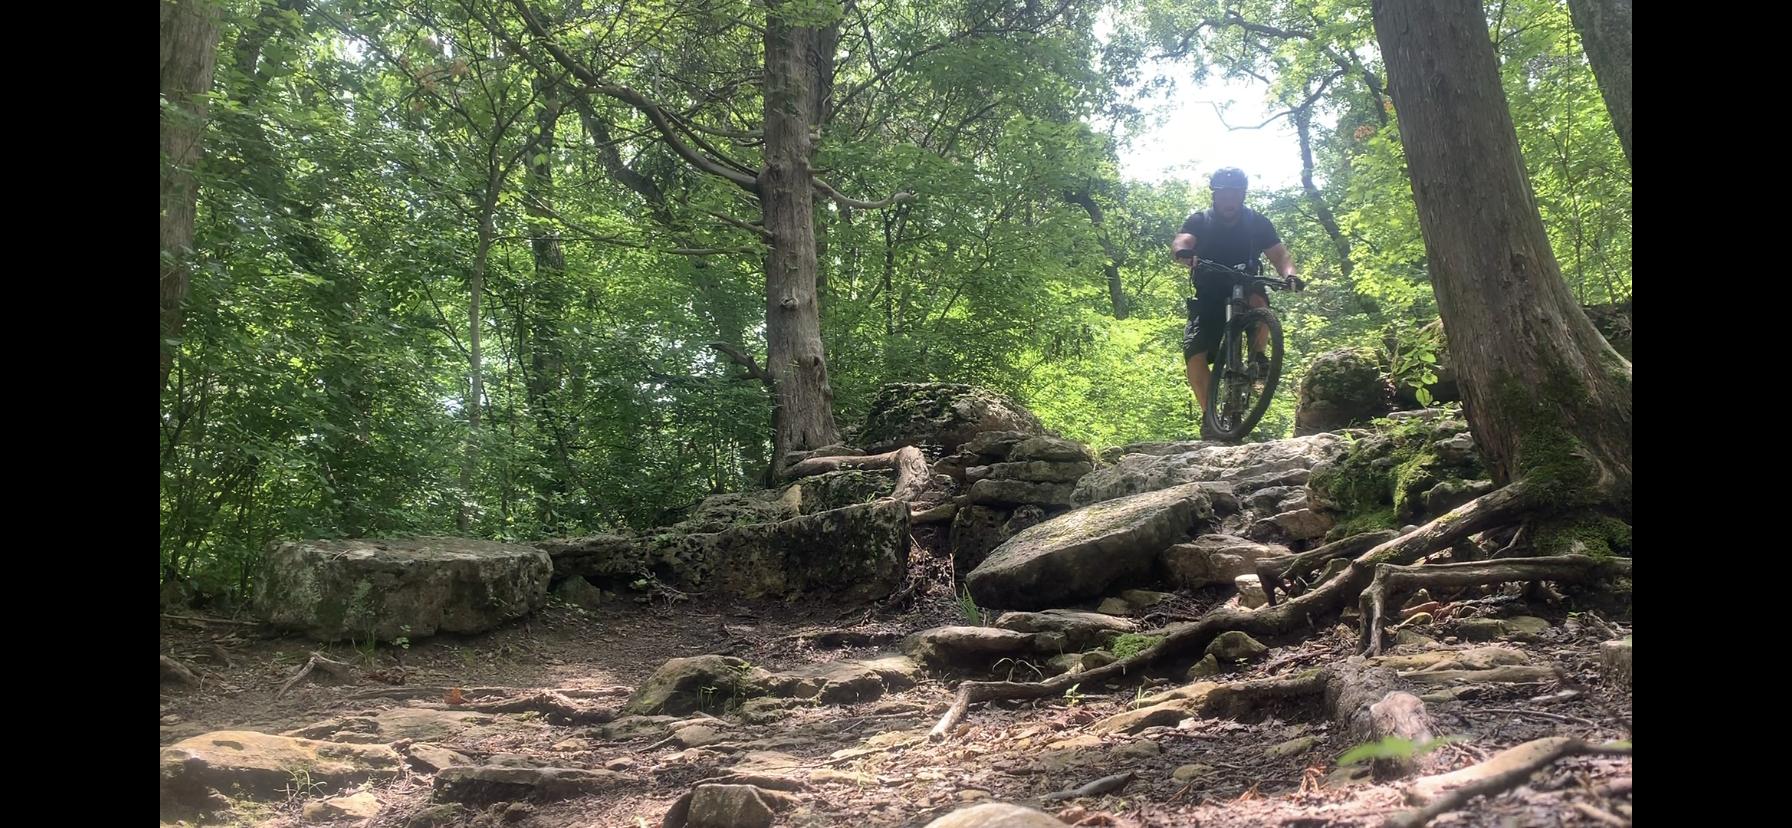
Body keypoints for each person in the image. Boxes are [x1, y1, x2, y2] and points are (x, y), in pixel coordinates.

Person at [1171, 167, 1303, 437]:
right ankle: (1210, 416)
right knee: (1194, 356)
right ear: (1215, 196)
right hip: (1209, 292)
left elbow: (1280, 256)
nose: (1229, 200)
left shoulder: (1257, 222)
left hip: (1246, 283)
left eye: (1234, 194)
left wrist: (1290, 276)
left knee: (1261, 306)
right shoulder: (1201, 220)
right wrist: (1183, 252)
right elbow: (1183, 239)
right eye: (1223, 194)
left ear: (1242, 195)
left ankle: (1258, 357)